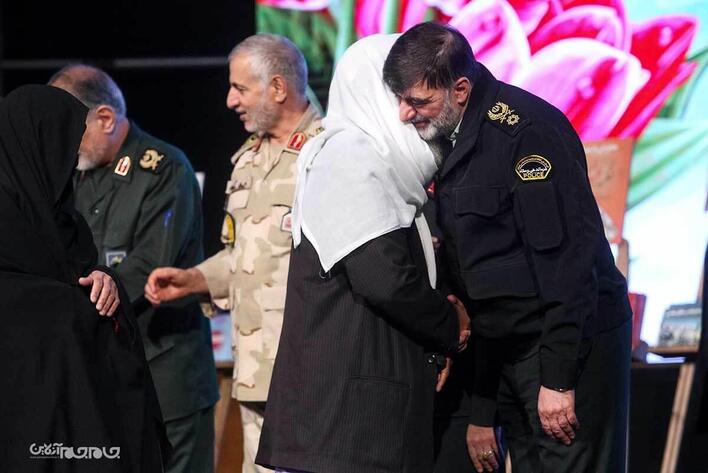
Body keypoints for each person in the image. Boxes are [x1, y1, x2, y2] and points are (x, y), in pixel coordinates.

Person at [384, 22, 632, 473]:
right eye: (400, 99)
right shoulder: (452, 133)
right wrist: (483, 405)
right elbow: (482, 286)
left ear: (461, 89)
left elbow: (567, 265)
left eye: (417, 101)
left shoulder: (527, 134)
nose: (405, 114)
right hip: (510, 352)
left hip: (567, 347)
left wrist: (559, 379)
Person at [253, 33, 470, 473]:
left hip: (360, 425)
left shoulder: (383, 167)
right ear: (373, 90)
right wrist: (452, 324)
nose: (409, 110)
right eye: (399, 92)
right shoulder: (350, 157)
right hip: (344, 426)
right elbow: (383, 278)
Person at [144, 34, 322, 473]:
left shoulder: (328, 153)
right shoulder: (248, 158)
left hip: (310, 375)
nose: (229, 100)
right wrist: (195, 279)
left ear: (277, 88)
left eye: (240, 88)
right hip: (255, 372)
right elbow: (244, 254)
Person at [48, 65, 218, 473]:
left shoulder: (166, 169)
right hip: (102, 376)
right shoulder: (73, 177)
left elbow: (148, 265)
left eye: (70, 128)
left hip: (166, 375)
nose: (63, 141)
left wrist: (73, 305)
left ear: (105, 118)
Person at [0, 85, 166, 472]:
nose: (72, 164)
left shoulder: (62, 218)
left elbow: (80, 275)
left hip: (78, 423)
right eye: (62, 149)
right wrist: (66, 305)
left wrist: (106, 281)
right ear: (34, 147)